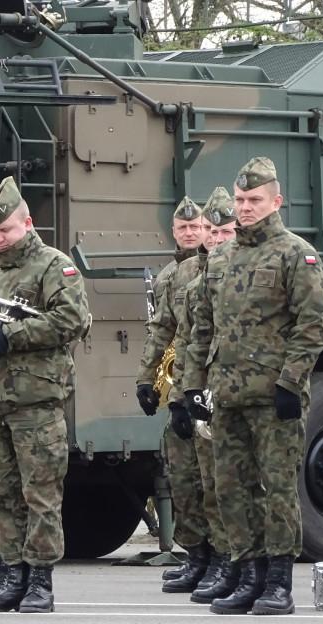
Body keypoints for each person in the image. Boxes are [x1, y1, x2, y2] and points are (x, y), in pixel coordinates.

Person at [183, 157, 323, 615]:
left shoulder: (294, 254)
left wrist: (291, 382)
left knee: (277, 489)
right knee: (231, 489)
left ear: (276, 201)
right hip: (227, 394)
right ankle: (247, 574)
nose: (246, 208)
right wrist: (193, 385)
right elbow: (201, 328)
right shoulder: (220, 258)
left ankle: (278, 581)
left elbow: (314, 324)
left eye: (255, 201)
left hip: (273, 396)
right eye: (242, 200)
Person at [0, 176, 89, 614]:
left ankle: (40, 579)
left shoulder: (53, 265)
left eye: (6, 230)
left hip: (36, 401)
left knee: (40, 493)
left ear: (27, 223)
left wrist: (13, 336)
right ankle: (11, 574)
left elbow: (73, 320)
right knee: (2, 493)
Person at [135, 196, 212, 592]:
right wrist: (146, 379)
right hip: (178, 382)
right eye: (182, 228)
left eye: (195, 227)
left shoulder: (210, 268)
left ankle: (220, 560)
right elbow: (161, 329)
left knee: (212, 480)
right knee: (182, 476)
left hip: (203, 387)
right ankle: (197, 556)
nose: (189, 233)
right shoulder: (168, 275)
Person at [165, 187, 238, 602]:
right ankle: (201, 555)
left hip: (230, 390)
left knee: (222, 484)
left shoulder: (238, 270)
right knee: (189, 480)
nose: (209, 236)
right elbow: (178, 336)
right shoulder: (182, 276)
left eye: (217, 229)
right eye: (203, 229)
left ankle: (230, 560)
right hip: (194, 388)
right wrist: (175, 393)